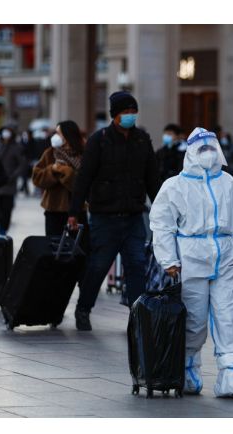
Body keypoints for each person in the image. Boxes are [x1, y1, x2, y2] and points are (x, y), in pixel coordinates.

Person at [150, 127, 233, 398]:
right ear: (191, 153)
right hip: (190, 258)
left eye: (212, 148)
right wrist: (169, 259)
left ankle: (231, 373)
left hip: (228, 258)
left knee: (229, 314)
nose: (208, 154)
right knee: (194, 319)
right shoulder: (175, 186)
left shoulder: (229, 184)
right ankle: (186, 369)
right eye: (203, 149)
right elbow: (162, 225)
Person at [67, 91, 161, 331]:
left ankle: (138, 315)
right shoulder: (100, 140)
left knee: (137, 266)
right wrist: (74, 213)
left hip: (133, 216)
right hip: (104, 217)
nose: (130, 116)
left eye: (133, 112)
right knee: (98, 266)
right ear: (115, 115)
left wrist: (162, 208)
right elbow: (84, 178)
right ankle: (83, 309)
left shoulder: (142, 140)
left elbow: (152, 179)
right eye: (125, 112)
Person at [32, 121, 88, 237]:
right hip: (53, 210)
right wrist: (52, 169)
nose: (55, 136)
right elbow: (36, 178)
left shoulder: (83, 154)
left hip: (77, 210)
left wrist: (66, 173)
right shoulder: (50, 153)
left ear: (68, 136)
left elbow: (83, 183)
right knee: (54, 248)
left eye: (58, 133)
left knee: (78, 248)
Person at [0, 127, 27, 233]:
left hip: (9, 184)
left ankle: (3, 231)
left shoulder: (16, 147)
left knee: (7, 210)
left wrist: (13, 176)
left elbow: (22, 164)